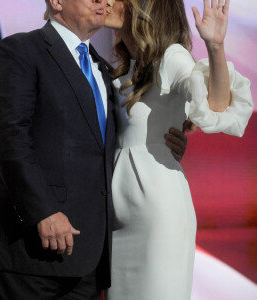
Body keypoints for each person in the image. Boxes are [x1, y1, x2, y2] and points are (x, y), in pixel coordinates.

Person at [0, 0, 188, 299]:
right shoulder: (21, 50)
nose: (104, 1)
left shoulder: (106, 72)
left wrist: (163, 141)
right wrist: (43, 212)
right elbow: (10, 138)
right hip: (26, 252)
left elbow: (112, 143)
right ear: (57, 2)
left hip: (87, 260)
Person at [104, 0, 253, 299]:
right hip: (116, 221)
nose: (108, 1)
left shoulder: (171, 57)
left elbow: (215, 104)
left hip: (156, 217)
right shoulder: (122, 67)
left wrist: (215, 47)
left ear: (142, 9)